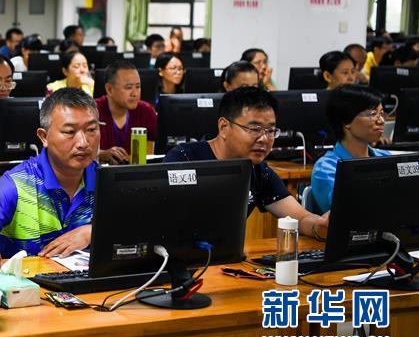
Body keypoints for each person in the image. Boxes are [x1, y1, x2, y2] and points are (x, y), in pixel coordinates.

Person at [163, 86, 328, 239]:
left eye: (270, 130)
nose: (264, 139)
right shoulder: (184, 159)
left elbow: (299, 217)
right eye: (254, 129)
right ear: (224, 127)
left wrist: (320, 226)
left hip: (226, 260)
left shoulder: (258, 171)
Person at [0, 88, 99, 260]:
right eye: (69, 132)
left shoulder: (106, 181)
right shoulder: (14, 185)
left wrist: (92, 231)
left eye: (91, 130)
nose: (83, 142)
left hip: (91, 285)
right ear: (43, 137)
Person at [309, 85, 391, 214]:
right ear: (346, 121)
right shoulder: (326, 168)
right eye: (372, 114)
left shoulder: (387, 158)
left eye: (381, 113)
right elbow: (346, 212)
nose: (381, 121)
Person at [95, 60, 157, 164]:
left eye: (138, 87)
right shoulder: (92, 111)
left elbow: (160, 147)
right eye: (129, 87)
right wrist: (100, 154)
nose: (135, 93)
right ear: (109, 89)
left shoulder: (146, 110)